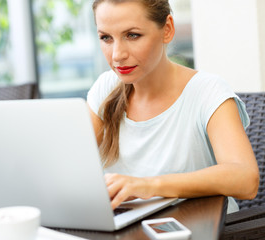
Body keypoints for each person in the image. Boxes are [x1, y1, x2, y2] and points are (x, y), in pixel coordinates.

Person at [87, 0, 259, 213]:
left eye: (132, 35)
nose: (117, 55)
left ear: (167, 29)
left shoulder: (207, 91)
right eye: (106, 38)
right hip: (131, 229)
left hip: (205, 229)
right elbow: (71, 164)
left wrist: (148, 186)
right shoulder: (105, 88)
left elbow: (245, 179)